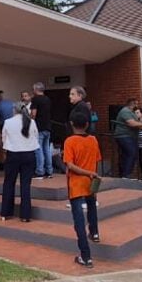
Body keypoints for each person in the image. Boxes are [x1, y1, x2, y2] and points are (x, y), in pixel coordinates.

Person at [63, 108, 101, 268]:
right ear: (87, 124)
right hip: (90, 182)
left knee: (79, 220)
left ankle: (86, 256)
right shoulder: (93, 140)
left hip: (76, 184)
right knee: (92, 207)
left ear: (72, 124)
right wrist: (93, 175)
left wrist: (87, 173)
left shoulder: (70, 141)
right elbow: (97, 160)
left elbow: (70, 165)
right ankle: (95, 232)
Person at [0, 104, 39, 222]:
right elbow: (35, 136)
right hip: (29, 154)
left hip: (13, 154)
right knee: (25, 185)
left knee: (9, 183)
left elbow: (4, 138)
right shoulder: (31, 122)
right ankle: (25, 215)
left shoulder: (8, 122)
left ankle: (6, 213)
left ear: (14, 110)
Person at [113, 97, 142, 179]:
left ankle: (125, 174)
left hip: (131, 136)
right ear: (131, 103)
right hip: (124, 136)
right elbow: (132, 124)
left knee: (128, 155)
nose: (137, 105)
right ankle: (126, 174)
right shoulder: (125, 111)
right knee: (131, 153)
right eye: (136, 103)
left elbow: (139, 124)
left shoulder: (132, 113)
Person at [30, 83, 54, 179]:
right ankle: (49, 170)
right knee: (46, 149)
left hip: (39, 127)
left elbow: (33, 114)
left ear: (36, 89)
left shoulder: (35, 99)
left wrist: (30, 118)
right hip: (48, 126)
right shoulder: (47, 99)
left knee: (38, 149)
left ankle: (40, 171)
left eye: (33, 89)